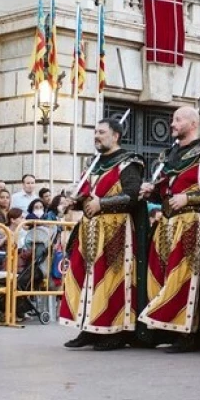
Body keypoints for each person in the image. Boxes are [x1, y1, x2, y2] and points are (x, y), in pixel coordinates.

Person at [138, 106, 200, 353]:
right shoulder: (167, 156)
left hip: (190, 222)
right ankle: (166, 328)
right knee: (160, 276)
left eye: (177, 119)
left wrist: (188, 198)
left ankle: (189, 333)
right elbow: (165, 187)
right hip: (166, 223)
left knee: (184, 277)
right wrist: (151, 190)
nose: (172, 124)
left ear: (193, 123)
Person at [60, 118, 144, 351]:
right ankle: (88, 328)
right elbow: (86, 195)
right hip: (90, 230)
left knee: (112, 280)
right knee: (88, 278)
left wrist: (103, 204)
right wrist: (72, 202)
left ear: (116, 136)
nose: (97, 136)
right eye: (95, 131)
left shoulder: (129, 162)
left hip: (116, 231)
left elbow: (132, 196)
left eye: (102, 132)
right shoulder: (94, 163)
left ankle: (114, 332)